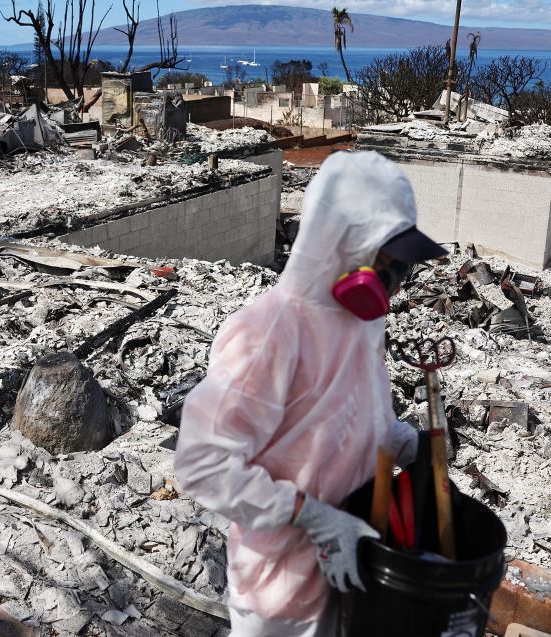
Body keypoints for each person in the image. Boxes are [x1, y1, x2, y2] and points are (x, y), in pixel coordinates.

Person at [174, 151, 447, 636]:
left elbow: (349, 412)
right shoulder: (267, 334)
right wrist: (314, 517)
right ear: (343, 243)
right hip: (281, 591)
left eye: (401, 265)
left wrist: (404, 441)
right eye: (387, 259)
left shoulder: (362, 323)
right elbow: (203, 466)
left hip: (351, 568)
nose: (396, 279)